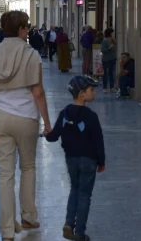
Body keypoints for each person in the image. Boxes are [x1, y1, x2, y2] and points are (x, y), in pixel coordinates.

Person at [0, 11, 52, 241]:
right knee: (28, 167)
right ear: (21, 29)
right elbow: (38, 92)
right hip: (27, 117)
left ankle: (7, 230)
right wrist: (48, 122)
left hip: (1, 116)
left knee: (5, 174)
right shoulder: (32, 55)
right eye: (27, 27)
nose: (28, 30)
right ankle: (29, 216)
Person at [45, 75, 106, 241]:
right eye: (91, 90)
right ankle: (79, 233)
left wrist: (47, 134)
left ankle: (68, 222)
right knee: (85, 195)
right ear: (81, 94)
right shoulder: (91, 116)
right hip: (89, 161)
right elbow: (98, 140)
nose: (94, 93)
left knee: (75, 189)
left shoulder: (64, 113)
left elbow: (53, 137)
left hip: (71, 159)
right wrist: (101, 161)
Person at [100, 29, 117, 93]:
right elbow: (103, 50)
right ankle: (105, 87)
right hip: (106, 59)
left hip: (112, 58)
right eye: (112, 33)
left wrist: (114, 42)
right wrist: (109, 48)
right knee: (106, 74)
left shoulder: (113, 40)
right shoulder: (105, 41)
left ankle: (112, 87)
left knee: (111, 73)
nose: (113, 34)